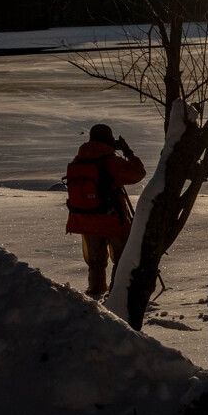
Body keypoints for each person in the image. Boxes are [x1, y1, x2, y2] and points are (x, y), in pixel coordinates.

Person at [65, 123, 146, 298]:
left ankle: (96, 292)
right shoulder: (110, 161)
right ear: (108, 139)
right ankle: (118, 295)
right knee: (122, 259)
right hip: (111, 219)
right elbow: (139, 173)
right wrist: (128, 153)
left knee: (95, 262)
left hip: (85, 219)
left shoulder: (79, 159)